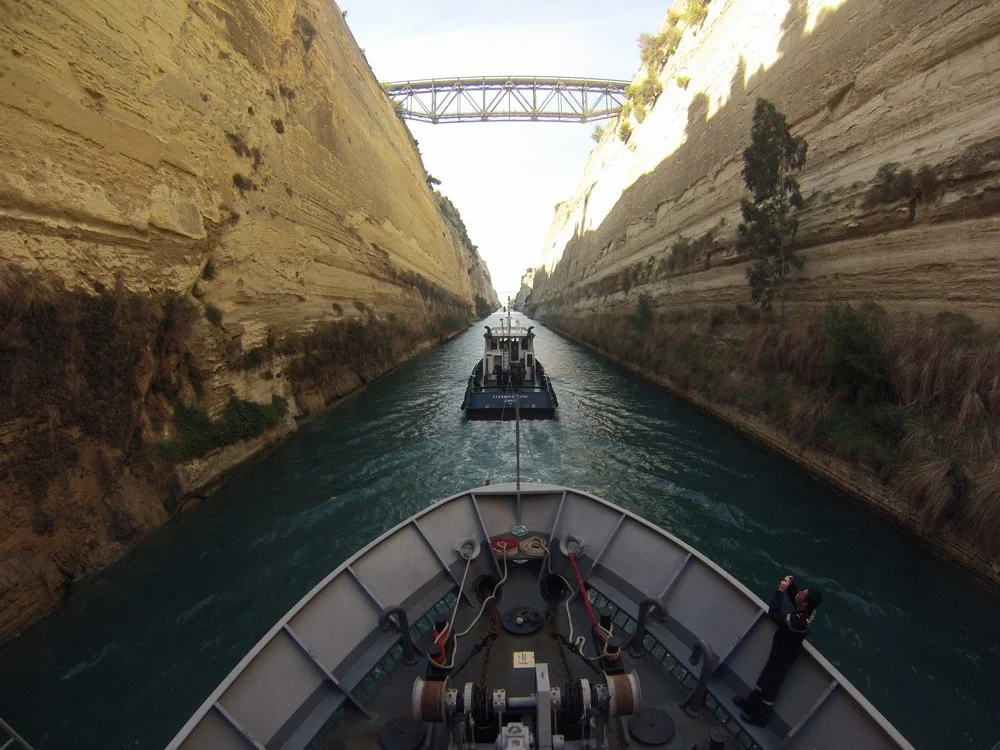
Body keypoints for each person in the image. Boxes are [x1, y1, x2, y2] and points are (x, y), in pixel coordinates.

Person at [733, 574, 823, 727]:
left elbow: (774, 613)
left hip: (785, 654)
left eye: (803, 593)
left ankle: (762, 717)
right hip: (780, 649)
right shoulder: (807, 609)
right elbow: (796, 598)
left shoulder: (799, 622)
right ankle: (751, 702)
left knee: (772, 685)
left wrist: (780, 590)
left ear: (806, 603)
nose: (799, 593)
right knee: (765, 676)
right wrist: (791, 585)